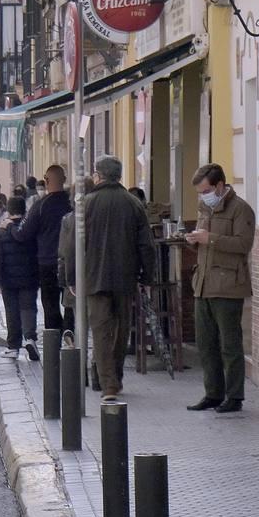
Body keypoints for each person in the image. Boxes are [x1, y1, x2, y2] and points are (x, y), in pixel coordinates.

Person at [76, 157, 156, 400]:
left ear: (99, 175)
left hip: (93, 276)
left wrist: (71, 276)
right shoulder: (133, 203)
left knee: (100, 331)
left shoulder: (86, 204)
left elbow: (75, 244)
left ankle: (107, 382)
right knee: (121, 330)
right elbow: (146, 244)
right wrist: (147, 274)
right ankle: (114, 377)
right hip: (125, 276)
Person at [184, 163, 255, 414]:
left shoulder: (241, 209)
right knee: (206, 343)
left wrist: (210, 239)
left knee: (229, 344)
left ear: (220, 186)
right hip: (202, 284)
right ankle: (213, 393)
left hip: (228, 286)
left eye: (205, 191)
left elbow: (243, 244)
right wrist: (194, 241)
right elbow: (205, 244)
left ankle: (234, 396)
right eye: (200, 193)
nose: (202, 196)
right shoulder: (205, 208)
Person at [9, 165, 73, 332]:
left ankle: (54, 339)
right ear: (65, 180)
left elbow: (23, 233)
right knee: (71, 301)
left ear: (46, 181)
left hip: (48, 261)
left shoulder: (41, 206)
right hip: (72, 260)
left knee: (50, 303)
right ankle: (70, 332)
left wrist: (10, 227)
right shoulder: (72, 203)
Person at [0, 195, 40, 362]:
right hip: (29, 276)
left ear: (8, 211)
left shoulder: (1, 232)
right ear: (24, 210)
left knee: (11, 312)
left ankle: (13, 347)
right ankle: (30, 338)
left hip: (9, 280)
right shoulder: (29, 229)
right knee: (28, 308)